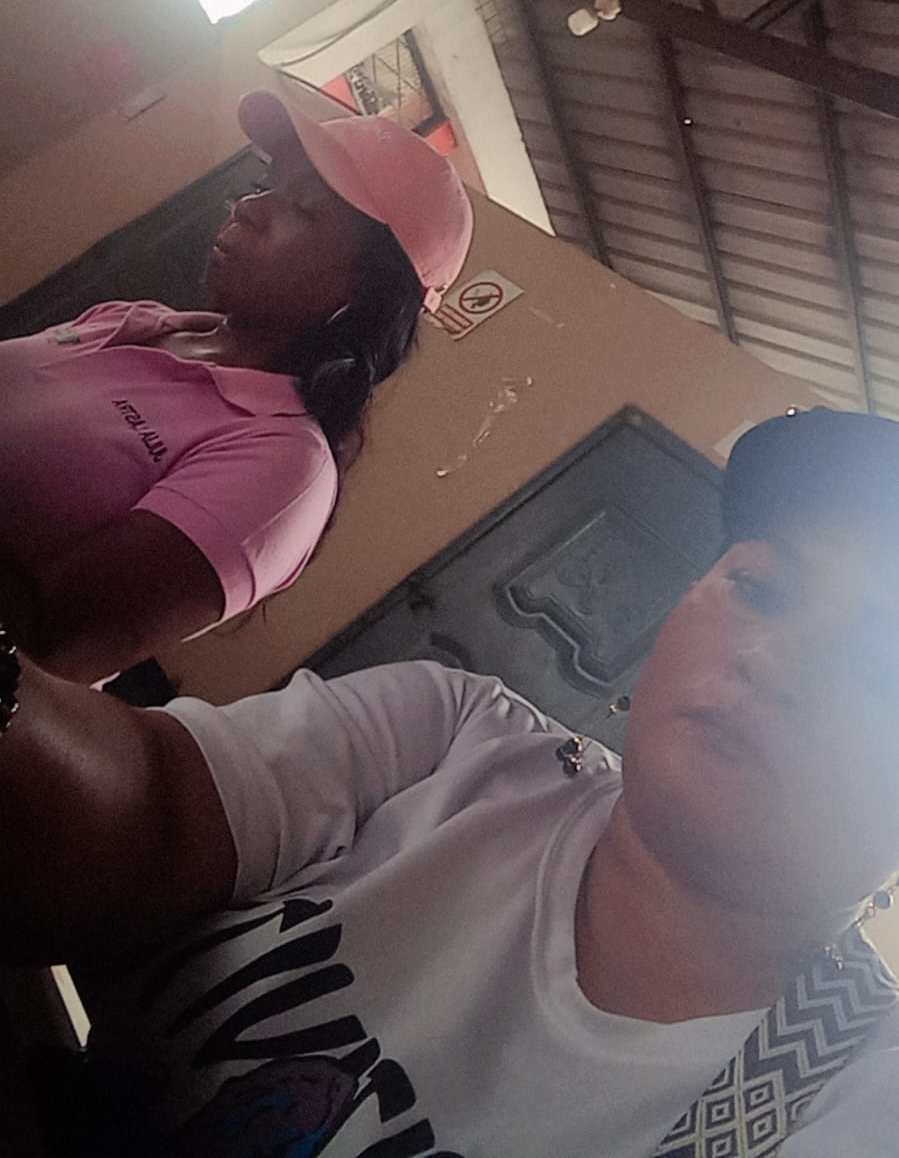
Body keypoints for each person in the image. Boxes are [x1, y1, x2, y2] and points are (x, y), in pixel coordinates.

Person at [2, 407, 899, 1157]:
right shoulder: (455, 734)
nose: (773, 656)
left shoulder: (859, 1100)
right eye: (760, 588)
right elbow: (147, 806)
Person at [0, 91, 473, 684]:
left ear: (365, 295)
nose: (248, 207)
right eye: (263, 184)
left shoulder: (282, 463)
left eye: (303, 207)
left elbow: (51, 641)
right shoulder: (134, 318)